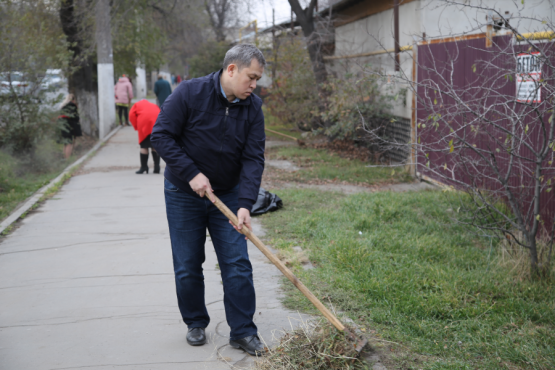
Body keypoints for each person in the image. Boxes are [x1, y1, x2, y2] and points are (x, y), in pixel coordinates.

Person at [151, 44, 267, 356]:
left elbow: (254, 159)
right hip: (182, 193)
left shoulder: (252, 107)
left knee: (237, 262)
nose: (254, 85)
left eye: (257, 79)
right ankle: (195, 322)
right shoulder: (190, 93)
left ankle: (243, 331)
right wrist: (191, 173)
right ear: (232, 69)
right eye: (251, 77)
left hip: (227, 195)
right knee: (188, 263)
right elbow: (160, 135)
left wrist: (245, 203)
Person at [129, 99, 161, 174]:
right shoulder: (154, 105)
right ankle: (157, 166)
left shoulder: (136, 105)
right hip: (156, 123)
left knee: (144, 146)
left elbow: (131, 115)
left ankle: (144, 167)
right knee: (155, 146)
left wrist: (136, 126)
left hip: (144, 124)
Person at [58, 93, 82, 159]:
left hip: (62, 125)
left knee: (65, 143)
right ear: (73, 99)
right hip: (68, 126)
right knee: (69, 143)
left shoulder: (63, 106)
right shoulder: (72, 105)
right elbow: (75, 117)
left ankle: (64, 158)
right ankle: (67, 159)